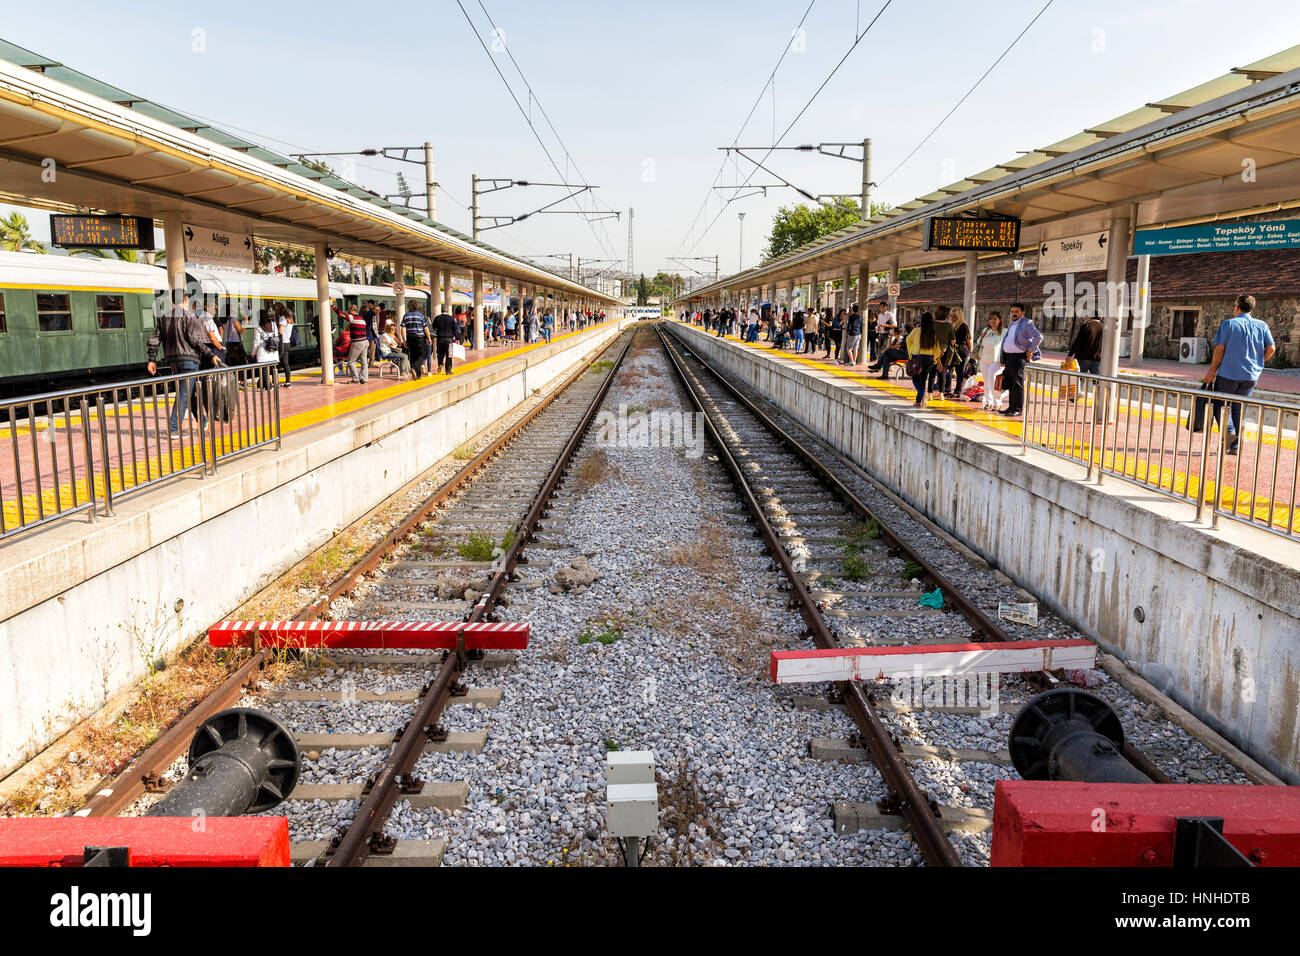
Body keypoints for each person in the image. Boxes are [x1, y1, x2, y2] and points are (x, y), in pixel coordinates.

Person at [146, 290, 223, 437]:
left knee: (188, 392)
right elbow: (194, 340)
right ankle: (173, 429)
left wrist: (152, 359)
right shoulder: (189, 315)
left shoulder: (164, 317)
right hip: (189, 360)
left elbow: (154, 340)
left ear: (172, 300)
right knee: (183, 394)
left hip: (173, 362)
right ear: (186, 299)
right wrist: (210, 354)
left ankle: (203, 419)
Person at [1204, 294, 1275, 455]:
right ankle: (1235, 446)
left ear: (1237, 307)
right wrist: (1258, 363)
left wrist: (1212, 371)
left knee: (1219, 406)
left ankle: (1229, 432)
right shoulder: (1262, 325)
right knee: (1239, 409)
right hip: (1250, 377)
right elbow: (1271, 349)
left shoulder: (1229, 324)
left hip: (1228, 374)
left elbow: (1220, 349)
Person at [999, 303, 1042, 417]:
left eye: (1016, 311)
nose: (1014, 313)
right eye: (1012, 311)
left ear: (1022, 313)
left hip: (1018, 357)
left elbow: (1039, 336)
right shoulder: (1013, 323)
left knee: (1017, 383)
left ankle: (1018, 408)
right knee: (1011, 383)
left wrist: (1030, 350)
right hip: (1009, 357)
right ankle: (1011, 407)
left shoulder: (1027, 323)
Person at [907, 312, 945, 407]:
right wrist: (939, 362)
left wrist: (911, 352)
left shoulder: (916, 331)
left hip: (918, 358)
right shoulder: (933, 333)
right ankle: (918, 401)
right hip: (929, 359)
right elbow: (937, 349)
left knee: (915, 379)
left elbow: (908, 340)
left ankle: (922, 394)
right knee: (923, 379)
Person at [974, 312, 1005, 410]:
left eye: (995, 319)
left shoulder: (1004, 331)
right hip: (984, 359)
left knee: (994, 381)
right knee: (986, 381)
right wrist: (982, 337)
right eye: (991, 319)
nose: (993, 321)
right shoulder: (986, 330)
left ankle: (997, 402)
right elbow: (978, 342)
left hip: (996, 360)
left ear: (999, 320)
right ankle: (988, 402)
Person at [942, 306, 972, 398]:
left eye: (954, 315)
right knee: (950, 371)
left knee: (958, 371)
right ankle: (949, 389)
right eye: (951, 315)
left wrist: (970, 352)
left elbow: (968, 340)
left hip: (960, 350)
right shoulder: (950, 326)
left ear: (959, 316)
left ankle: (956, 390)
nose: (952, 317)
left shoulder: (963, 326)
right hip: (954, 350)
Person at [252, 312, 281, 389]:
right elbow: (277, 337)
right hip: (273, 351)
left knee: (264, 369)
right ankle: (275, 384)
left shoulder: (258, 327)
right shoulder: (273, 324)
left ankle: (268, 386)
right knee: (273, 369)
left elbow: (256, 342)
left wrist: (253, 352)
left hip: (263, 352)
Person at [401, 302, 430, 380]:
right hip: (420, 338)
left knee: (413, 355)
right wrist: (429, 338)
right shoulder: (420, 315)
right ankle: (414, 368)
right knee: (423, 354)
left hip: (410, 338)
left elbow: (403, 328)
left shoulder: (406, 316)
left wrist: (404, 340)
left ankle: (418, 375)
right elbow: (425, 328)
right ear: (417, 306)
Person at [433, 305, 458, 375]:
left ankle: (440, 364)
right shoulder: (452, 318)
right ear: (447, 311)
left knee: (440, 354)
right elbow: (455, 329)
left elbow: (433, 327)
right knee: (449, 355)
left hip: (440, 339)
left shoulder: (437, 318)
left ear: (441, 310)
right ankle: (448, 371)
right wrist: (458, 338)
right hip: (449, 339)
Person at [275, 304, 294, 388]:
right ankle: (287, 382)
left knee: (277, 363)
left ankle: (276, 382)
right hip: (288, 342)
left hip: (282, 343)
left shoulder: (282, 318)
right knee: (286, 363)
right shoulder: (289, 318)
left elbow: (281, 332)